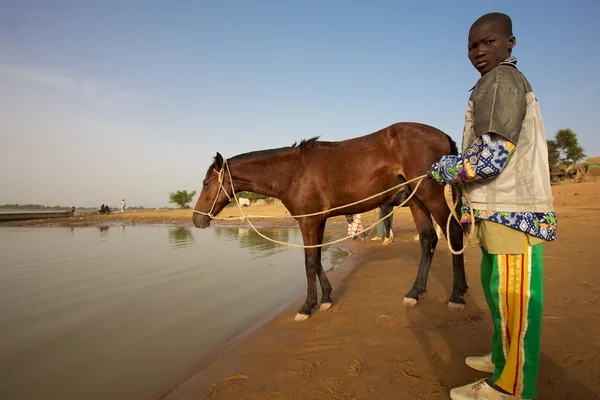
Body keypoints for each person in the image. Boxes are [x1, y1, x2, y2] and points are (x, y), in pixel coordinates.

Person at [428, 12, 557, 400]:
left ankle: (511, 387)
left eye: (488, 42)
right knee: (497, 293)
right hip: (494, 211)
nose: (479, 51)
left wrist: (442, 169)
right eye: (472, 46)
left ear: (510, 43)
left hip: (512, 213)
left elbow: (491, 158)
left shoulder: (501, 80)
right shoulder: (491, 83)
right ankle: (502, 359)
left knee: (515, 303)